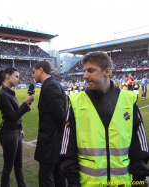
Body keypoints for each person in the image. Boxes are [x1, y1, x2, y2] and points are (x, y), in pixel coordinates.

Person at [60, 51, 149, 187]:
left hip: (122, 183)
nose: (85, 76)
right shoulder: (76, 102)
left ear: (107, 71)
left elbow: (139, 146)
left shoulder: (128, 100)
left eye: (91, 70)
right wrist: (73, 183)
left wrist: (139, 181)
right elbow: (67, 148)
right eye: (85, 71)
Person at [0, 67, 34, 187]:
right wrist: (26, 103)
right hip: (9, 134)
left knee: (19, 166)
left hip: (15, 132)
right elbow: (12, 117)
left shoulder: (9, 93)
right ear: (8, 76)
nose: (18, 79)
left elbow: (16, 114)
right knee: (8, 168)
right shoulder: (3, 94)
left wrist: (20, 128)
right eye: (16, 76)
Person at [32, 61, 67, 187]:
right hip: (54, 140)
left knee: (46, 177)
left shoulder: (50, 86)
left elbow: (60, 116)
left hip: (51, 141)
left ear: (41, 69)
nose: (33, 75)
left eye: (34, 71)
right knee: (58, 175)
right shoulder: (52, 84)